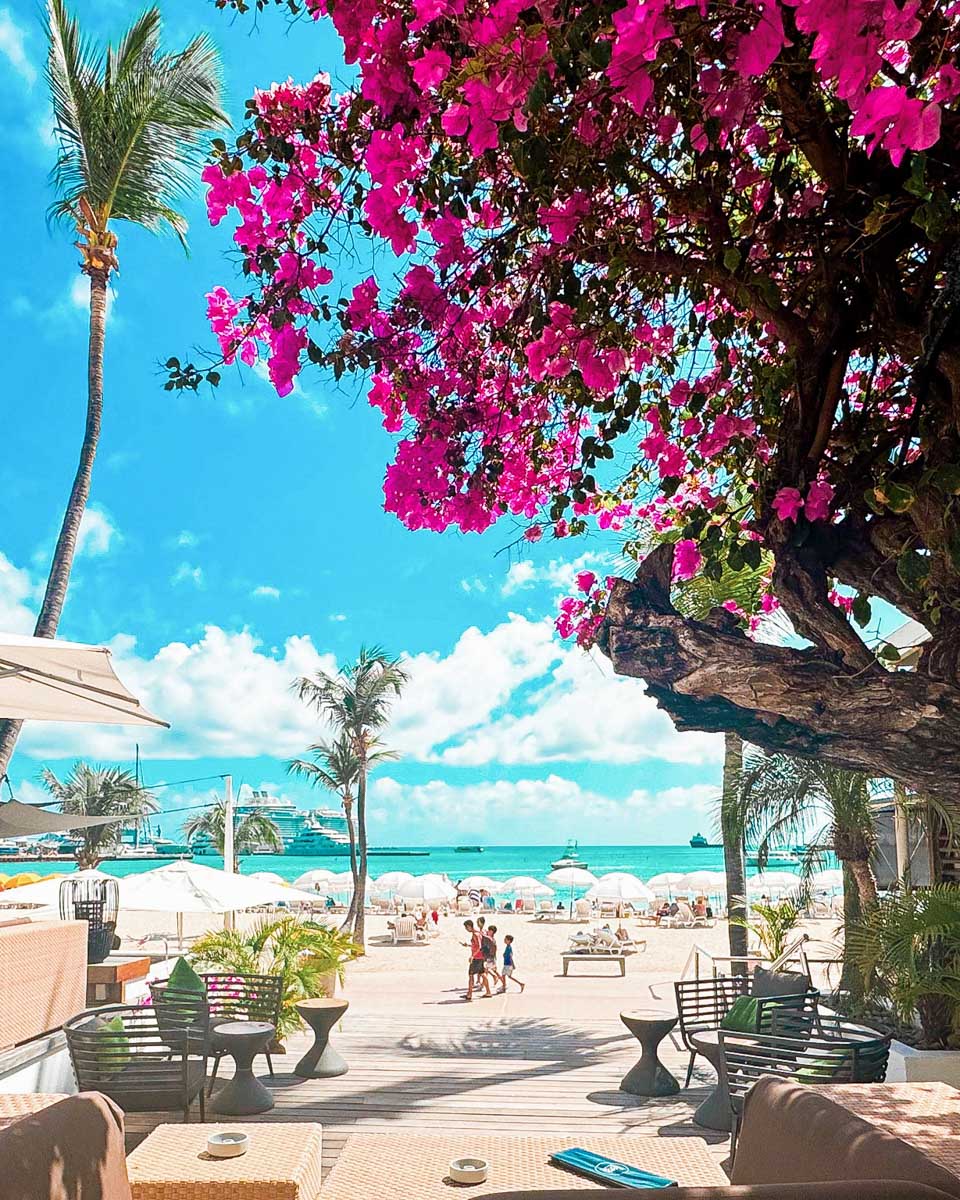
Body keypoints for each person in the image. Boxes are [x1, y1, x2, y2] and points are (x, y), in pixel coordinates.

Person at [461, 919, 491, 1000]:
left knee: (471, 975)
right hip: (480, 957)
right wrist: (468, 945)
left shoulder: (475, 934)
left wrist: (472, 956)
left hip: (477, 958)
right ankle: (488, 992)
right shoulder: (478, 933)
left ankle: (469, 994)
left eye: (466, 928)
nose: (466, 930)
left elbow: (479, 946)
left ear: (469, 926)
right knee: (482, 974)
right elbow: (476, 945)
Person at [484, 923, 503, 990]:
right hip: (490, 958)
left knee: (487, 971)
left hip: (490, 958)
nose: (488, 931)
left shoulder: (491, 939)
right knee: (486, 970)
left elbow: (494, 949)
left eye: (489, 931)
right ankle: (498, 980)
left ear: (492, 932)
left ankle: (502, 983)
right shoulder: (490, 938)